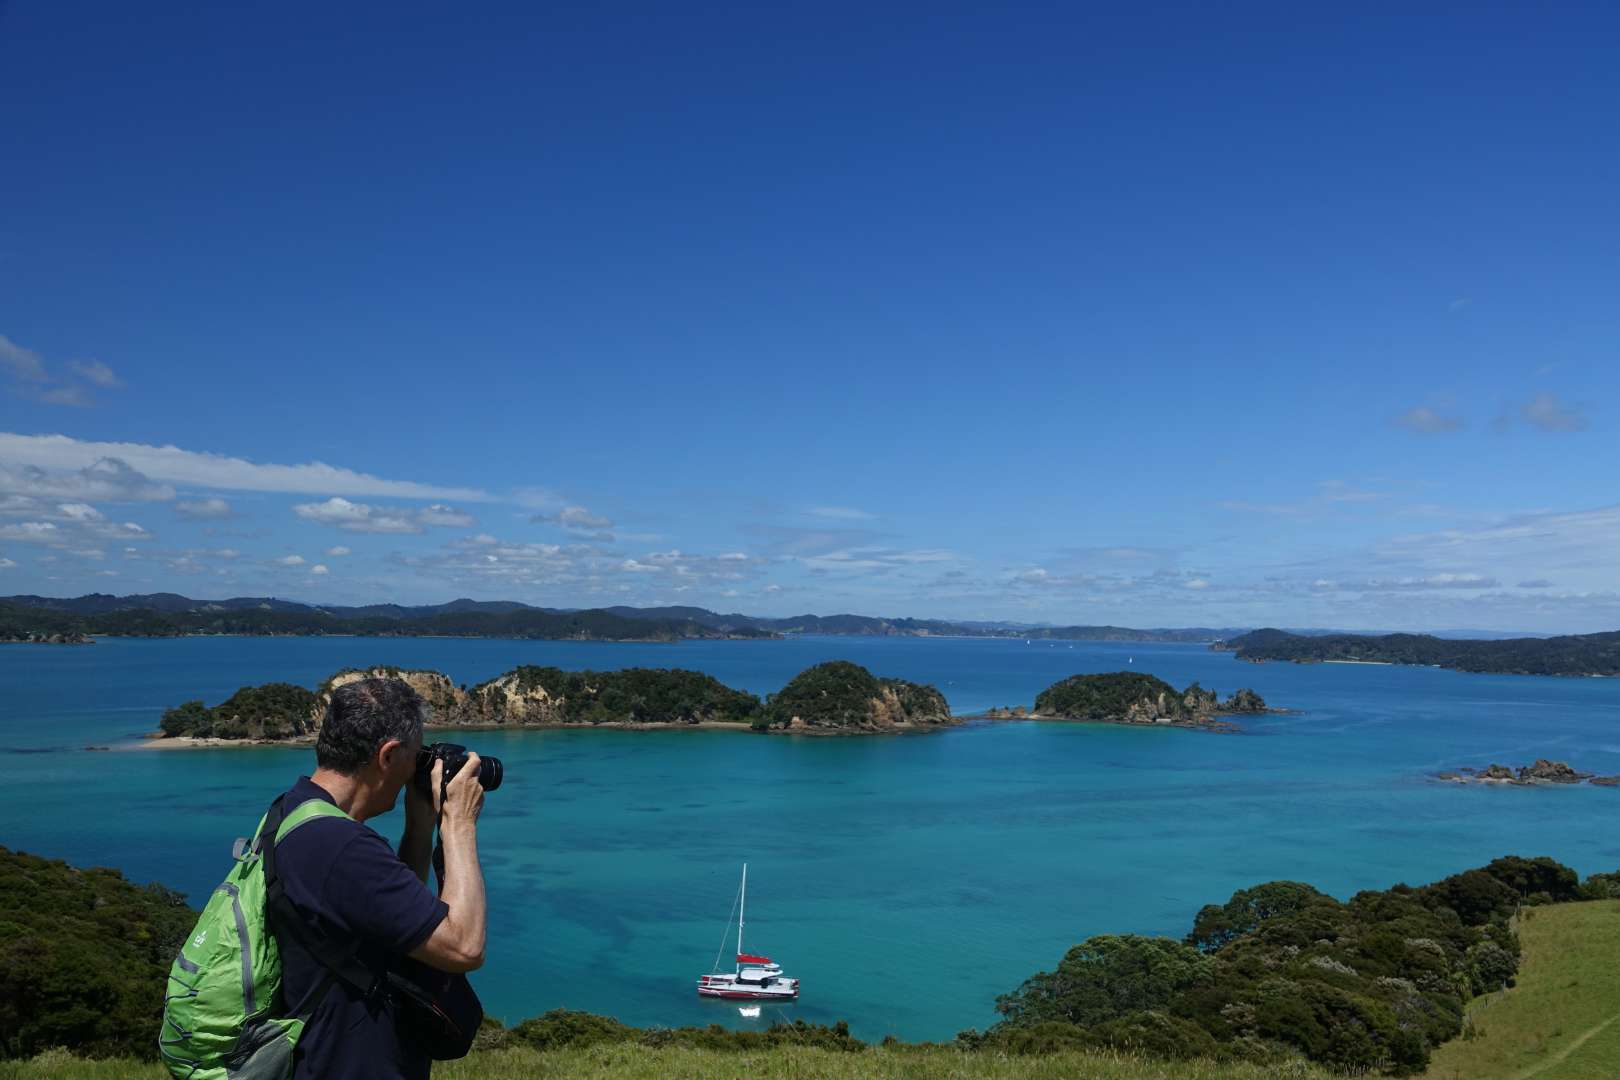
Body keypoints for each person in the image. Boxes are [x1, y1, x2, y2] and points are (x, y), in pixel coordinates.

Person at [271, 677, 487, 1080]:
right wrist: (459, 824)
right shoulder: (341, 848)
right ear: (387, 756)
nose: (415, 769)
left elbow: (389, 911)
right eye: (414, 756)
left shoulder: (294, 812)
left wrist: (420, 826)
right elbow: (464, 948)